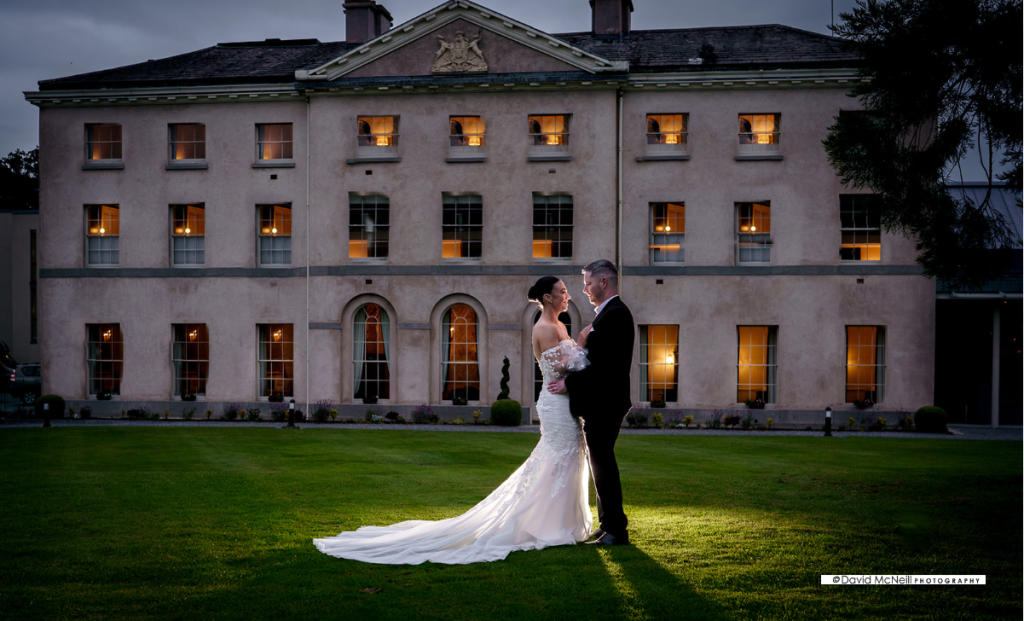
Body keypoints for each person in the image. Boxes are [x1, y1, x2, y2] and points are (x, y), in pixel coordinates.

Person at [313, 276, 592, 564]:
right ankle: (547, 526)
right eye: (562, 291)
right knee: (558, 458)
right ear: (548, 297)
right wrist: (582, 344)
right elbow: (557, 366)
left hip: (564, 400)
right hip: (555, 403)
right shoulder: (544, 327)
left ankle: (561, 523)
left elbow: (568, 368)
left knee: (566, 458)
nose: (567, 295)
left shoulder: (560, 325)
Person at [548, 259, 635, 545]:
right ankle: (608, 523)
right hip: (603, 401)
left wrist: (568, 382)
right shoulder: (608, 314)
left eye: (587, 282)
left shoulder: (616, 315)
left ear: (604, 282)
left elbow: (602, 365)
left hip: (606, 402)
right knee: (601, 463)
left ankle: (615, 530)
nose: (584, 289)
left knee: (603, 464)